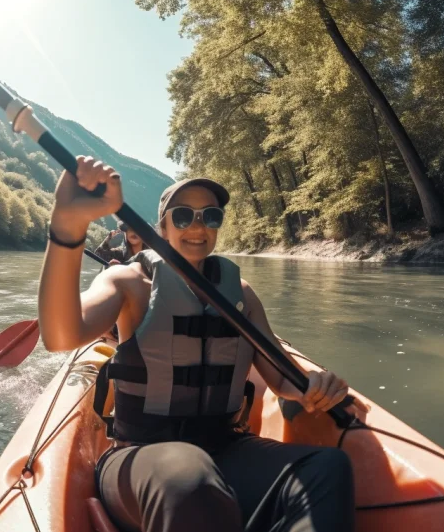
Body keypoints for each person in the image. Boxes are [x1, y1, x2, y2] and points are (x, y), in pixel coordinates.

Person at [38, 157, 361, 532]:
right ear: (162, 226)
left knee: (327, 467)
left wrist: (316, 386)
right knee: (188, 472)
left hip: (226, 447)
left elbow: (283, 379)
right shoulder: (127, 281)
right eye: (183, 216)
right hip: (140, 456)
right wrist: (68, 224)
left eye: (211, 216)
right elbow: (59, 337)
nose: (197, 226)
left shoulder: (241, 295)